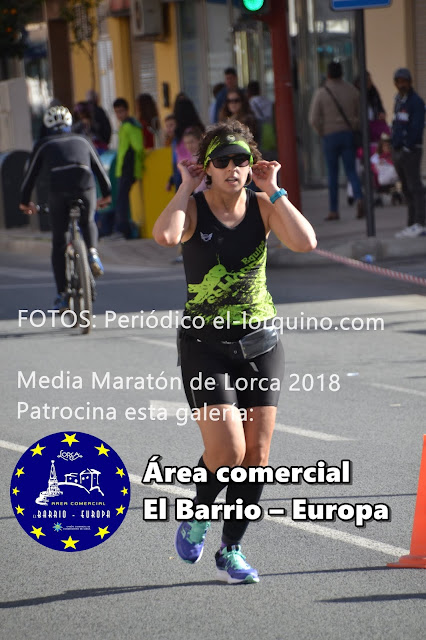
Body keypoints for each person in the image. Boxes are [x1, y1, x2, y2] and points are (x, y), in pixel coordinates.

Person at [152, 120, 317, 584]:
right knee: (227, 451)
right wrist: (184, 188)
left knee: (256, 456)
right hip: (204, 346)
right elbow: (165, 236)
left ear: (251, 165)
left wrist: (275, 188)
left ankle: (231, 550)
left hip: (261, 342)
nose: (232, 168)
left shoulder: (263, 206)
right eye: (221, 160)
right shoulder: (193, 209)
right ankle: (198, 516)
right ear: (207, 167)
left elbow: (305, 242)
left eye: (241, 160)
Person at [19, 105, 111, 310]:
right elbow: (99, 170)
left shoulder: (44, 143)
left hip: (59, 190)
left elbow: (30, 176)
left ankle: (62, 294)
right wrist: (106, 195)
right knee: (87, 221)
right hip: (85, 186)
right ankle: (93, 253)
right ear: (70, 123)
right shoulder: (83, 140)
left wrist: (24, 202)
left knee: (59, 241)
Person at [309, 61, 364, 221]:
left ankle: (334, 210)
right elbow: (360, 114)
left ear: (328, 74)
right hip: (348, 134)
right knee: (351, 170)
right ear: (342, 73)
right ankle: (359, 198)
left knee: (332, 174)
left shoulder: (321, 92)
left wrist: (322, 131)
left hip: (330, 136)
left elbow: (313, 119)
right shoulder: (352, 90)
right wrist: (354, 125)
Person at [391, 68, 426, 238]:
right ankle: (411, 223)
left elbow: (417, 127)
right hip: (398, 150)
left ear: (410, 82)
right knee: (406, 188)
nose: (401, 85)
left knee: (415, 187)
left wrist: (407, 147)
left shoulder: (416, 102)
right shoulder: (399, 100)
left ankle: (420, 223)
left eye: (404, 81)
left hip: (411, 151)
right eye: (399, 82)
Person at [113, 97, 145, 239]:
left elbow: (138, 147)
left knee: (122, 201)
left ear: (127, 110)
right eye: (117, 112)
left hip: (128, 168)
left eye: (121, 111)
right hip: (123, 168)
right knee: (122, 200)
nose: (119, 115)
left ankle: (123, 231)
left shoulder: (130, 126)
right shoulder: (125, 126)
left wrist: (140, 163)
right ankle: (123, 229)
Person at [171, 94, 205, 191]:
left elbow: (176, 158)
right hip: (192, 171)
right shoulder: (197, 129)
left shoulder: (180, 133)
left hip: (185, 171)